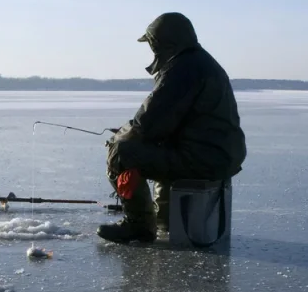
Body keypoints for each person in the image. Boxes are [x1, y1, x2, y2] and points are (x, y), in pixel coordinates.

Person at [98, 12, 247, 244]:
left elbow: (148, 124)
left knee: (120, 152)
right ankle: (165, 219)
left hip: (203, 159)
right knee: (151, 147)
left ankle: (138, 226)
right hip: (220, 155)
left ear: (162, 43)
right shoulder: (201, 62)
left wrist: (123, 135)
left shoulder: (182, 68)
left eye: (152, 44)